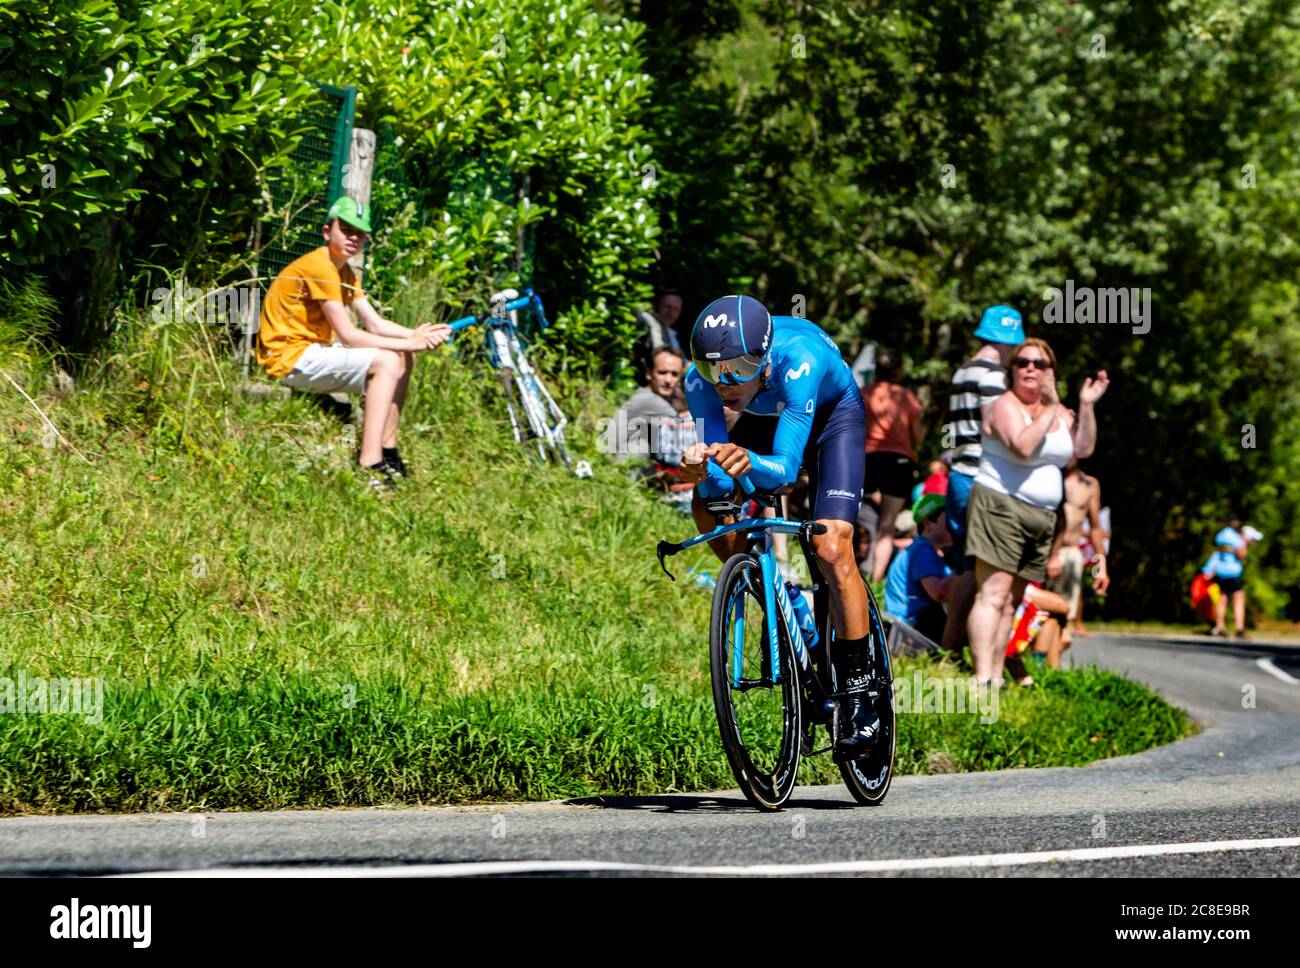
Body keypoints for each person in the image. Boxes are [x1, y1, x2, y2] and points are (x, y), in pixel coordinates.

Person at [678, 295, 879, 758]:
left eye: (739, 366)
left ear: (763, 357)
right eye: (714, 370)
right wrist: (699, 466)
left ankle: (859, 695)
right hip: (765, 415)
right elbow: (717, 472)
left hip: (830, 416)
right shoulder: (703, 380)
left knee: (831, 545)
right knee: (707, 504)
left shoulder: (799, 361)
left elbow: (786, 471)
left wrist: (745, 461)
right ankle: (769, 588)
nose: (724, 382)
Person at [255, 196, 451, 490]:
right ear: (326, 232)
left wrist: (414, 336)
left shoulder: (344, 271)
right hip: (287, 359)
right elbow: (348, 335)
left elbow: (374, 322)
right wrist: (414, 343)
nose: (353, 238)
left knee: (401, 354)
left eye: (360, 234)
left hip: (310, 353)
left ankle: (388, 451)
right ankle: (368, 465)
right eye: (346, 230)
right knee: (387, 359)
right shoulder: (320, 266)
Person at [964, 337, 1109, 685]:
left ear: (1051, 372)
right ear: (1011, 371)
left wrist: (1085, 406)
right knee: (993, 594)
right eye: (1024, 362)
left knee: (1012, 602)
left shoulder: (1058, 413)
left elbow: (1084, 448)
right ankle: (981, 675)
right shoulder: (1003, 405)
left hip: (1041, 518)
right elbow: (1025, 447)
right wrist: (1051, 406)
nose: (1031, 368)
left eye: (1040, 364)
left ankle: (997, 675)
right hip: (1000, 505)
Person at [939, 306, 1025, 662]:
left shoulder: (963, 371)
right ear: (1009, 340)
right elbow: (996, 428)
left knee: (964, 565)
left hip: (959, 474)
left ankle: (949, 650)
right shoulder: (991, 376)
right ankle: (979, 659)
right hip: (981, 477)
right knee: (985, 574)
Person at [862, 347, 925, 582]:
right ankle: (875, 583)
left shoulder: (862, 393)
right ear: (898, 371)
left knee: (854, 519)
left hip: (865, 460)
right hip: (898, 463)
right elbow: (918, 437)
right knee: (886, 527)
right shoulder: (906, 397)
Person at [1046, 458, 1110, 634]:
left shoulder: (1089, 485)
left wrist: (1100, 569)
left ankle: (1051, 658)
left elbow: (1096, 530)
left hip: (1071, 552)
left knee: (1064, 612)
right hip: (1044, 551)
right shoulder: (1046, 478)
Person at [883, 494, 954, 643]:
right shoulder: (923, 551)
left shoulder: (925, 550)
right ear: (928, 524)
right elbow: (938, 593)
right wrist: (964, 569)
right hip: (909, 627)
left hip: (910, 623)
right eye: (948, 520)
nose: (954, 524)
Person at [1201, 516, 1258, 638]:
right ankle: (1239, 629)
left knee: (1222, 599)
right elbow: (1241, 554)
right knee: (1238, 599)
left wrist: (1209, 568)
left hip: (1220, 572)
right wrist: (1244, 547)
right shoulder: (1235, 537)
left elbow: (1217, 553)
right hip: (1233, 572)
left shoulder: (1221, 535)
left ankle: (1220, 626)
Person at [632, 288, 684, 381]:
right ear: (655, 306)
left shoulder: (674, 334)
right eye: (667, 307)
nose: (671, 312)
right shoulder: (650, 325)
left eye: (676, 309)